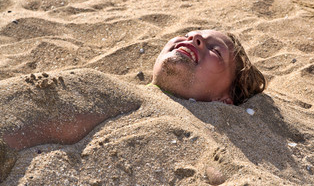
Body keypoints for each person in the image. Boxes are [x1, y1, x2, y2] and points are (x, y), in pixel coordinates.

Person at [0, 29, 266, 182]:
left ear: (224, 101)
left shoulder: (198, 141)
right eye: (190, 33)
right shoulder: (111, 86)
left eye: (215, 50)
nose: (194, 36)